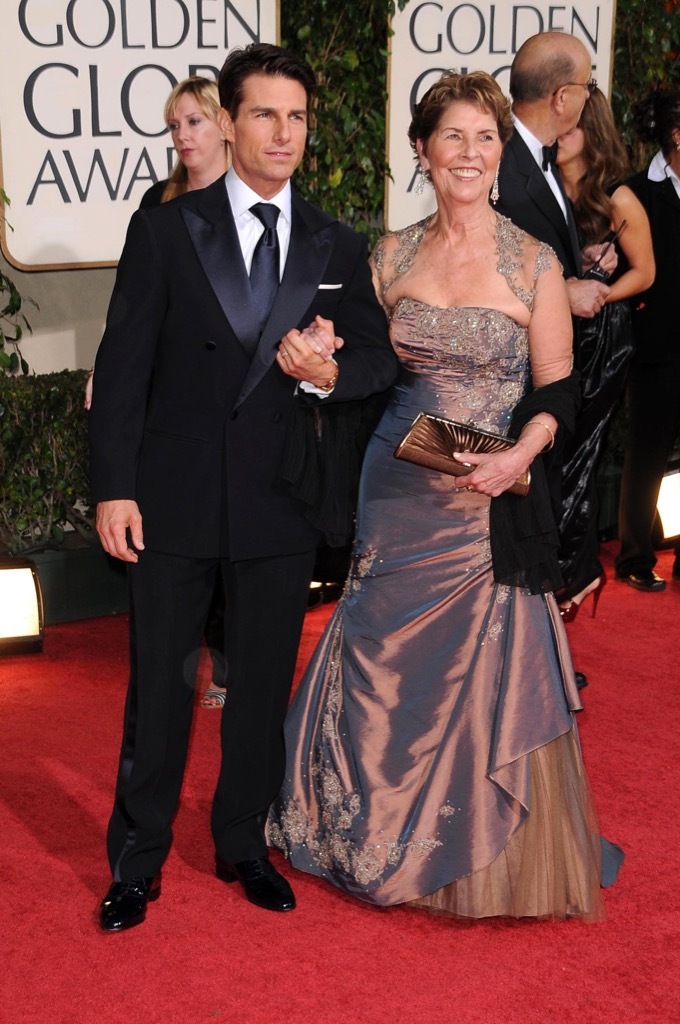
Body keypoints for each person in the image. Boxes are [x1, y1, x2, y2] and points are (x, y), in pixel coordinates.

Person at [269, 71, 623, 920]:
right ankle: (356, 821)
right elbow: (366, 367)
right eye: (454, 137)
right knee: (378, 654)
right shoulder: (387, 255)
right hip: (397, 481)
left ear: (502, 151)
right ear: (423, 151)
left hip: (489, 493)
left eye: (486, 137)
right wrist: (322, 352)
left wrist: (523, 455)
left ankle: (474, 848)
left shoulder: (532, 259)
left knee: (477, 661)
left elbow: (557, 386)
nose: (471, 153)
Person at [89, 42, 398, 931]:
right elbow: (123, 365)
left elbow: (377, 359)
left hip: (278, 498)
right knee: (160, 687)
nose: (284, 133)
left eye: (297, 116)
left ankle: (241, 844)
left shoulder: (336, 240)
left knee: (261, 686)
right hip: (172, 495)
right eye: (265, 114)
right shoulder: (165, 229)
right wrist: (114, 487)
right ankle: (136, 860)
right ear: (228, 122)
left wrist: (327, 375)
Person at [494, 31, 617, 690]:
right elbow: (480, 262)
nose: (590, 96)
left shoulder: (539, 161)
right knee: (522, 525)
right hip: (510, 386)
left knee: (541, 523)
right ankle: (522, 668)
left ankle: (537, 658)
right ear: (565, 95)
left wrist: (579, 266)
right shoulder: (502, 162)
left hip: (545, 380)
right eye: (588, 85)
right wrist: (558, 290)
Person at [554, 88, 655, 618]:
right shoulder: (540, 188)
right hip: (549, 334)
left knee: (577, 455)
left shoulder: (617, 196)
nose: (556, 134)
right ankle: (559, 583)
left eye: (567, 126)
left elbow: (646, 271)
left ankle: (572, 580)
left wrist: (597, 292)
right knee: (549, 455)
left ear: (590, 129)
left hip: (600, 343)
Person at [615, 90, 680, 591]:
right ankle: (635, 559)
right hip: (656, 345)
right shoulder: (636, 192)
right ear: (676, 136)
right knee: (647, 455)